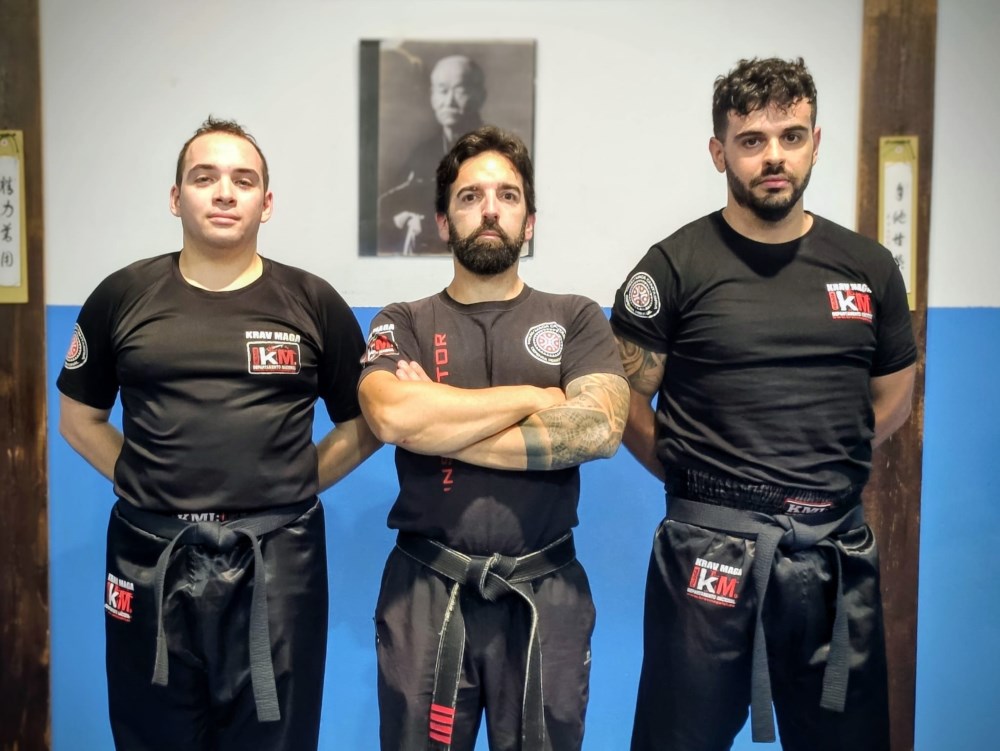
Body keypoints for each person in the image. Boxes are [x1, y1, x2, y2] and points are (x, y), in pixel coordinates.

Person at [611, 58, 917, 751]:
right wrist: (697, 478)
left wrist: (820, 463)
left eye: (791, 135)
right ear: (719, 151)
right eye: (752, 140)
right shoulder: (674, 266)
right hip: (709, 553)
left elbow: (893, 395)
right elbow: (625, 397)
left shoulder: (868, 267)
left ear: (815, 142)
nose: (774, 155)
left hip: (832, 552)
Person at [56, 117, 380, 751]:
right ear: (176, 197)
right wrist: (145, 481)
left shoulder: (313, 301)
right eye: (204, 178)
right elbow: (78, 419)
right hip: (150, 556)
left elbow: (364, 425)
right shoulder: (121, 295)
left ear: (267, 202)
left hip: (277, 559)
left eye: (243, 180)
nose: (225, 192)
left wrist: (295, 481)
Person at [359, 125, 629, 751]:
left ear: (529, 223)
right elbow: (391, 418)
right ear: (442, 222)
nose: (489, 209)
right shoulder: (404, 321)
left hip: (546, 590)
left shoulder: (575, 316)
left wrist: (435, 425)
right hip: (426, 590)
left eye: (507, 196)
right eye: (469, 196)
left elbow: (599, 427)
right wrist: (536, 397)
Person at [378, 55, 487, 256]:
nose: (449, 101)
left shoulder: (496, 153)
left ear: (480, 95)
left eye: (460, 90)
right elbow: (388, 207)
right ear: (432, 96)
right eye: (442, 91)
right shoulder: (422, 154)